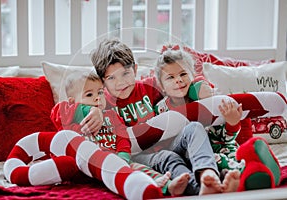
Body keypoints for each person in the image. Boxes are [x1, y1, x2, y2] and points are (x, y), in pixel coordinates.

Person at [90, 38, 233, 195]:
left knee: (194, 128)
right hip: (139, 156)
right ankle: (199, 189)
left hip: (169, 143)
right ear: (102, 82)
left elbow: (177, 77)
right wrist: (94, 111)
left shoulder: (149, 86)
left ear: (135, 70)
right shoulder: (104, 103)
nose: (121, 83)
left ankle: (208, 173)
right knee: (168, 157)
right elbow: (82, 107)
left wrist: (200, 84)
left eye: (125, 73)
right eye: (111, 78)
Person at [51, 70, 190, 196]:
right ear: (72, 101)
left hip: (113, 163)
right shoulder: (69, 116)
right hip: (83, 167)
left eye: (100, 92)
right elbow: (57, 112)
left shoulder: (111, 116)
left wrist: (123, 157)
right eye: (89, 94)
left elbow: (122, 139)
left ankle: (167, 186)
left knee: (139, 169)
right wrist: (90, 111)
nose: (97, 98)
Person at [153, 44, 244, 185]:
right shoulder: (161, 110)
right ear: (162, 87)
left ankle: (234, 175)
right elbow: (162, 144)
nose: (178, 80)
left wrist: (232, 123)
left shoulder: (206, 101)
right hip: (183, 153)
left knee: (237, 157)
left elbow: (224, 137)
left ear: (193, 76)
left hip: (214, 150)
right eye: (170, 77)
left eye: (183, 74)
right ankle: (222, 176)